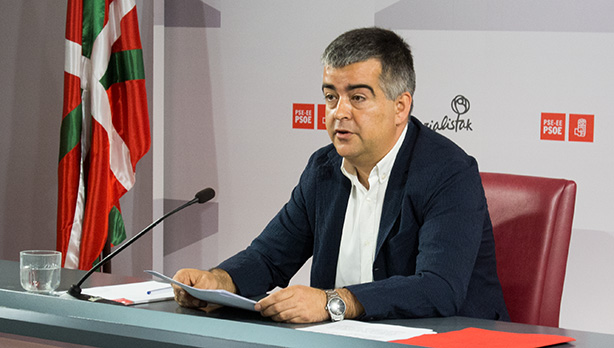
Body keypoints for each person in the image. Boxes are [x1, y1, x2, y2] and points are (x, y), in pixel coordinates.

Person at [172, 27, 509, 324]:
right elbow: (269, 257)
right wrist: (219, 281)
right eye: (331, 97)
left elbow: (439, 288)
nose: (339, 112)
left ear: (400, 107)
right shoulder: (323, 170)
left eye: (358, 97)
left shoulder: (448, 172)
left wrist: (333, 301)